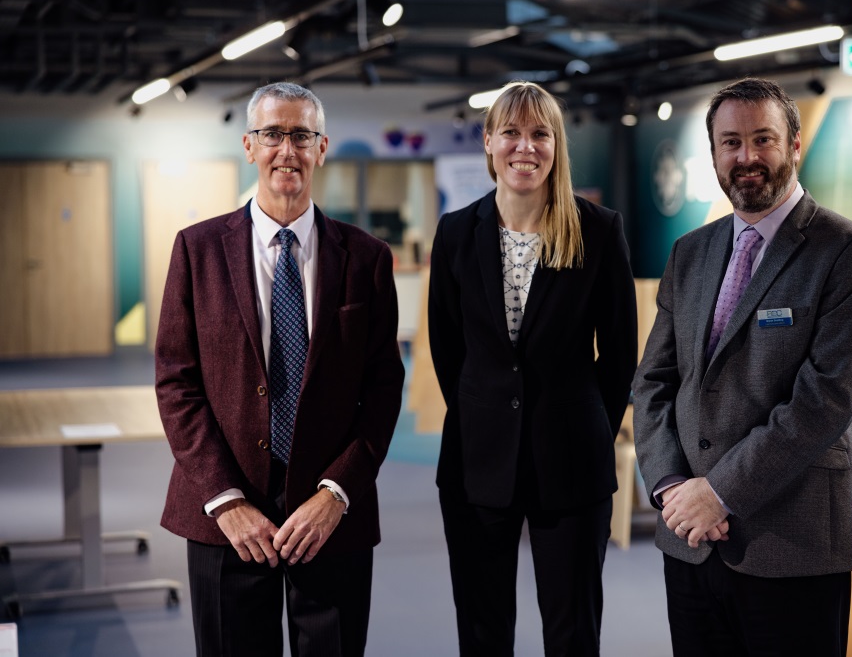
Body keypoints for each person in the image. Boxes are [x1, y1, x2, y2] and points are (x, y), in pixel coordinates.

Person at [632, 77, 852, 656]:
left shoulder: (848, 252)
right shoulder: (690, 253)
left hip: (792, 544)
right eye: (730, 143)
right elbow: (654, 381)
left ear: (795, 146)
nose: (746, 157)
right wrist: (674, 487)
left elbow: (823, 400)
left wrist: (719, 493)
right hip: (692, 538)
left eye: (762, 140)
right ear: (715, 154)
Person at [155, 81, 404, 657]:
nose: (286, 150)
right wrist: (226, 500)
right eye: (272, 134)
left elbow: (383, 388)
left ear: (322, 148)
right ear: (249, 145)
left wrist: (336, 493)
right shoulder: (197, 250)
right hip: (225, 522)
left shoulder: (365, 257)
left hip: (329, 520)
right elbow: (177, 382)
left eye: (301, 135)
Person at [428, 81, 637, 656]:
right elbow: (449, 349)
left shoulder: (597, 231)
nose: (526, 147)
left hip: (571, 463)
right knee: (482, 630)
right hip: (477, 462)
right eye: (512, 133)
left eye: (540, 134)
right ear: (489, 142)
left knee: (572, 634)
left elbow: (619, 355)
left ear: (556, 145)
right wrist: (487, 414)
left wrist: (589, 424)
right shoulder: (455, 234)